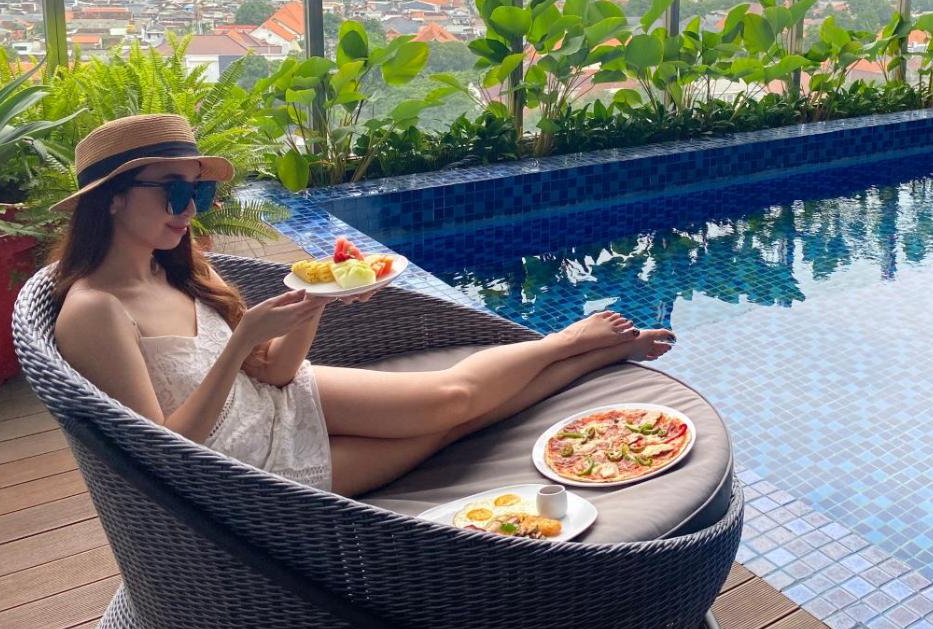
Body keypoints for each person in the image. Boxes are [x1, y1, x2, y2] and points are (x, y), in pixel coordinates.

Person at [51, 114, 675, 496]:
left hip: (279, 398)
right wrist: (240, 343)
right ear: (111, 198)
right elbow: (162, 453)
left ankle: (568, 342)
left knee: (452, 396)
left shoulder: (179, 267)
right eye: (174, 192)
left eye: (200, 192)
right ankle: (583, 353)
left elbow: (275, 372)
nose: (191, 209)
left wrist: (319, 299)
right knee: (452, 423)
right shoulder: (96, 310)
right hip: (250, 466)